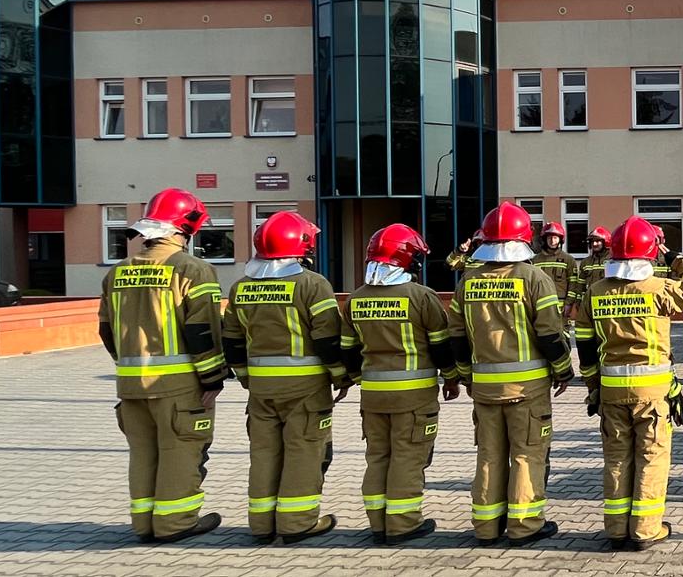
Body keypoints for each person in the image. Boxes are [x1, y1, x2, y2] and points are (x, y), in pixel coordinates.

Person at [99, 188, 228, 544]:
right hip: (178, 386)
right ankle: (175, 523)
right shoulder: (192, 269)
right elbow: (202, 330)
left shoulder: (118, 273)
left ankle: (143, 523)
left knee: (142, 454)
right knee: (180, 451)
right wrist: (213, 378)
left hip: (130, 385)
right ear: (184, 228)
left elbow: (106, 331)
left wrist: (128, 365)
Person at [573, 217, 683, 551]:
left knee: (617, 459)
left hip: (611, 391)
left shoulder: (595, 291)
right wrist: (676, 260)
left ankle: (616, 529)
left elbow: (586, 345)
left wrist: (592, 387)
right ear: (650, 252)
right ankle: (646, 529)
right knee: (651, 457)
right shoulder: (659, 287)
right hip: (652, 394)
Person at [448, 202, 574, 547]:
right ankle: (524, 526)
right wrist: (564, 371)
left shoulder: (468, 280)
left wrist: (464, 376)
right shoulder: (534, 278)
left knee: (489, 454)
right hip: (527, 387)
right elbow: (550, 333)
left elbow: (456, 336)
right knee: (526, 454)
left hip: (484, 388)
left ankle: (486, 528)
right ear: (524, 237)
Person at [223, 211, 345, 543]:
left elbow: (231, 341)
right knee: (304, 451)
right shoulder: (312, 285)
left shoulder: (241, 288)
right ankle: (297, 524)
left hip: (261, 391)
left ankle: (262, 525)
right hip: (305, 390)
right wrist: (340, 377)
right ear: (302, 244)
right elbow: (327, 340)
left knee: (264, 453)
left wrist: (247, 378)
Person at [340, 223, 455, 545]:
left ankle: (378, 523)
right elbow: (441, 346)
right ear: (407, 259)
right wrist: (452, 378)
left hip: (372, 395)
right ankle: (403, 524)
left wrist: (354, 379)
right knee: (407, 456)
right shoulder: (421, 297)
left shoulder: (355, 299)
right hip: (414, 395)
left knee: (378, 456)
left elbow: (347, 350)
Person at [531, 222, 578, 323]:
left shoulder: (568, 259)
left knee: (563, 335)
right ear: (544, 239)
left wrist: (568, 304)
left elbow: (573, 284)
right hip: (539, 306)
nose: (552, 241)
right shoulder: (535, 260)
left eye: (555, 238)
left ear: (560, 240)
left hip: (560, 308)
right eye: (549, 238)